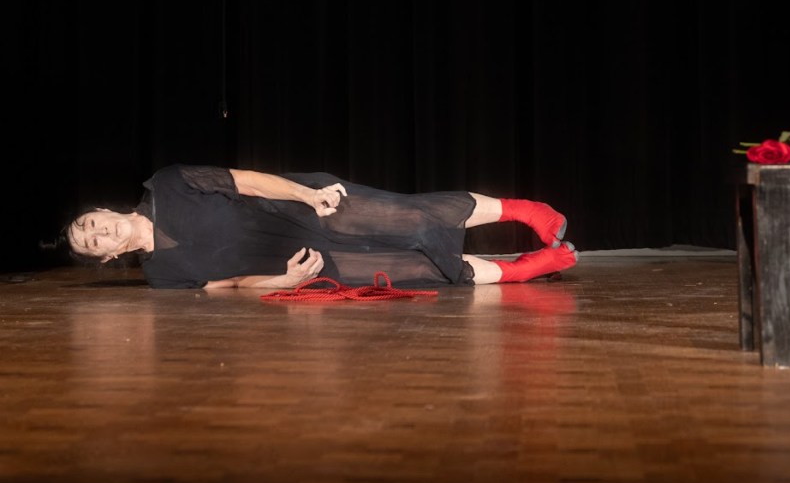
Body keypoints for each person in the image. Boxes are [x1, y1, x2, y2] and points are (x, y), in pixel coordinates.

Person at [64, 164, 578, 290]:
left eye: (90, 224)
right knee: (413, 269)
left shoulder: (170, 183)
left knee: (414, 216)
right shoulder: (160, 277)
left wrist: (308, 194)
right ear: (105, 258)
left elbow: (247, 182)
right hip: (298, 263)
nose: (96, 234)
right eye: (90, 245)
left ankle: (527, 211)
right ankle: (523, 272)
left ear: (105, 211)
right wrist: (283, 283)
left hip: (300, 207)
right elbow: (226, 287)